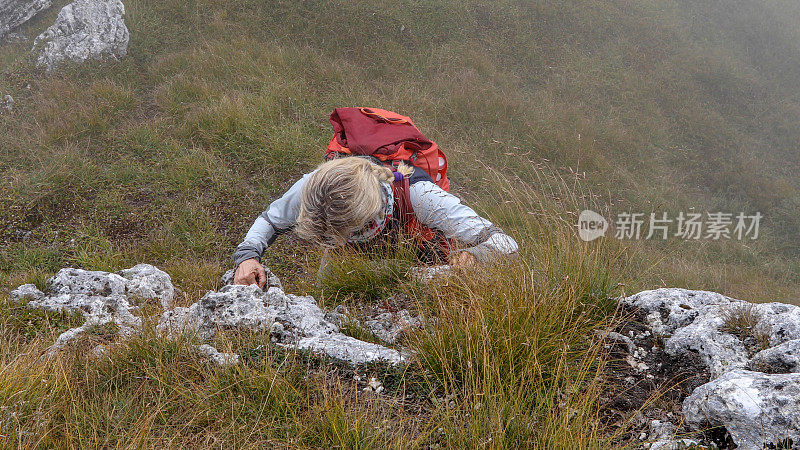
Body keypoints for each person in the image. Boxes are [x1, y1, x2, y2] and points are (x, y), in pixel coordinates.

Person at [232, 156, 519, 288]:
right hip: (347, 261)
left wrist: (473, 257)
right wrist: (247, 257)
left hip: (423, 264)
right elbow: (270, 220)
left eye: (341, 232)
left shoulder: (420, 197)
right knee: (325, 301)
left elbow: (505, 242)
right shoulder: (315, 187)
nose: (333, 241)